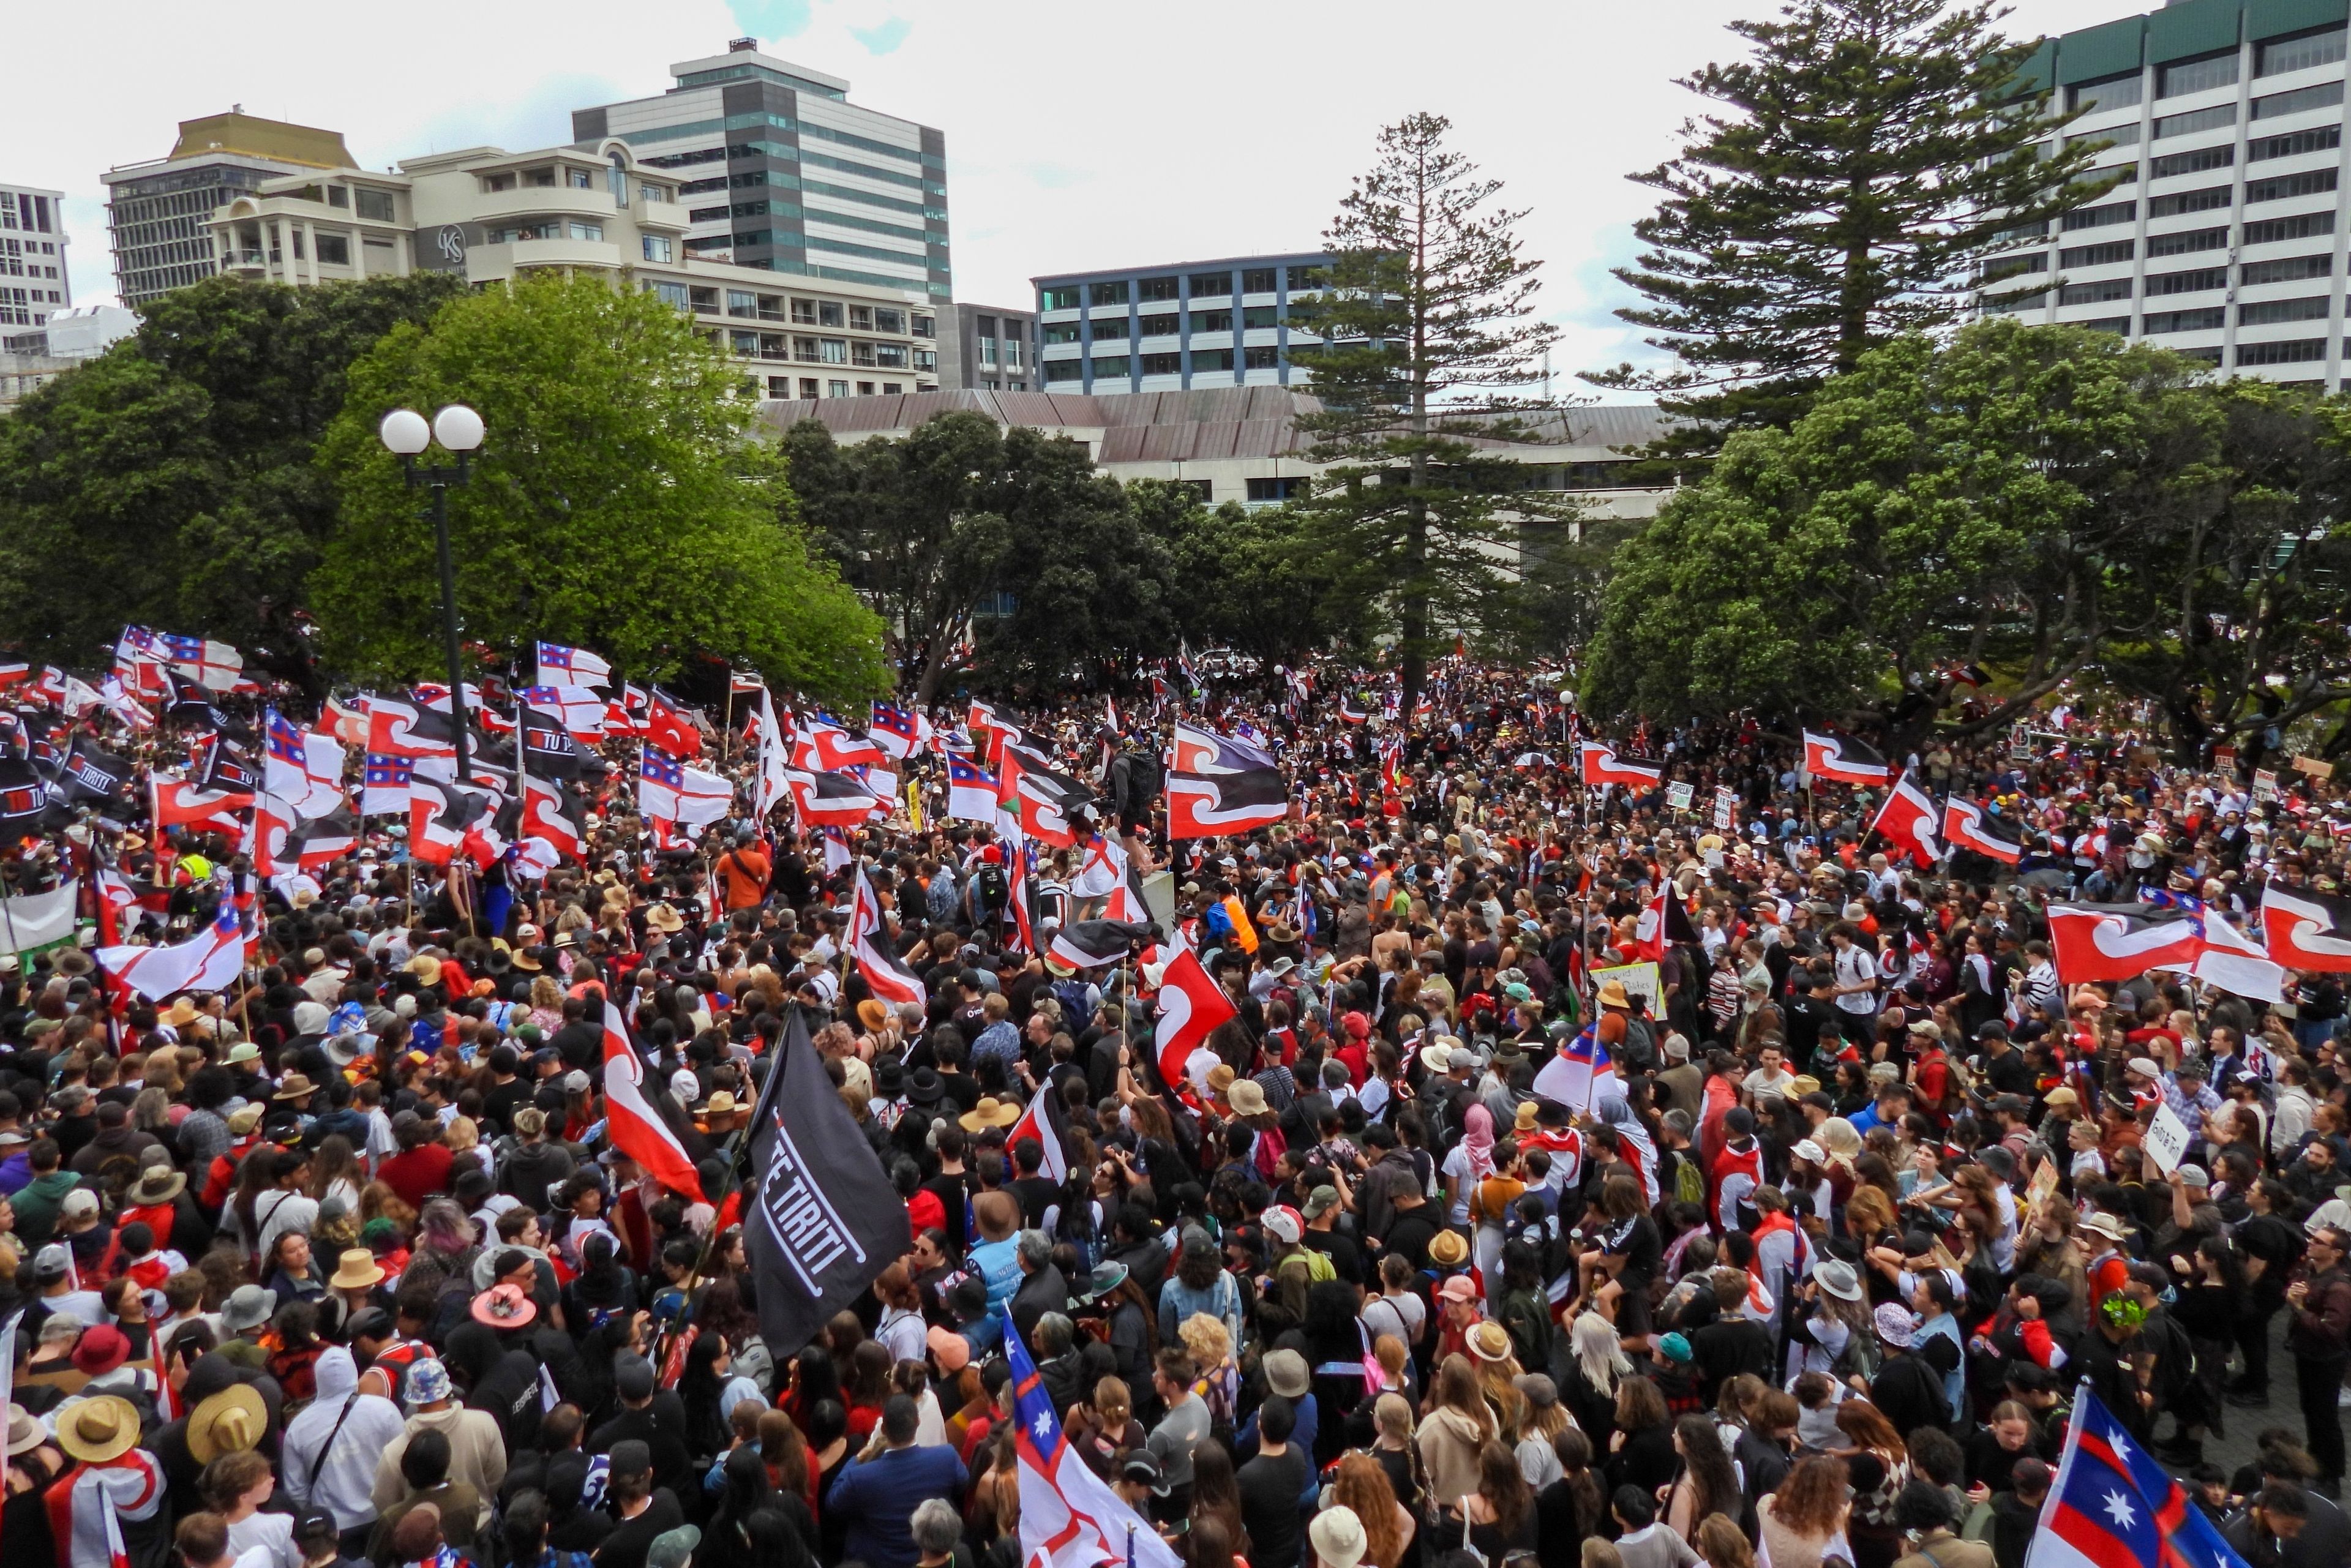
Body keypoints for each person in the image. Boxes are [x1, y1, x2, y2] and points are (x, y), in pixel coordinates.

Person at [823, 1395, 964, 1568]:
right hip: (926, 1554)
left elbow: (833, 1502)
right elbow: (963, 1482)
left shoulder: (861, 1476)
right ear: (918, 1422)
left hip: (884, 1561)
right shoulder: (946, 1457)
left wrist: (855, 1460)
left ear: (883, 1428)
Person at [2284, 1225, 2351, 1496]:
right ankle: (2315, 1464)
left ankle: (2332, 1478)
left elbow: (2333, 1330)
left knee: (2325, 1418)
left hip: (2326, 1360)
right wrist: (2294, 1295)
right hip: (2307, 1353)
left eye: (2319, 1241)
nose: (2311, 1243)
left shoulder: (2339, 1288)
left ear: (2335, 1253)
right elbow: (2296, 1291)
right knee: (2311, 1411)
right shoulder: (2313, 1271)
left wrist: (2299, 1308)